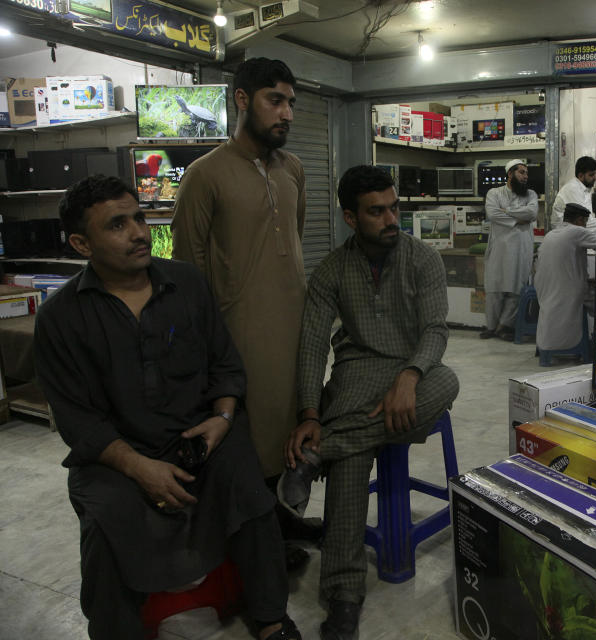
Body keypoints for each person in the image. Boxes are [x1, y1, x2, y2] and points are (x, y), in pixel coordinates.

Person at [34, 175, 302, 640]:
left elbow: (225, 364)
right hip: (119, 454)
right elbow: (78, 421)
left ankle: (271, 619)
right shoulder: (60, 318)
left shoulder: (187, 284)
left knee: (247, 485)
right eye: (117, 225)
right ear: (82, 243)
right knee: (105, 519)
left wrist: (221, 419)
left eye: (138, 217)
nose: (139, 232)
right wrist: (140, 468)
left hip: (201, 436)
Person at [283, 165, 459, 639]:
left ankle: (323, 452)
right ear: (349, 217)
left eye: (394, 207)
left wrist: (409, 373)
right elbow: (314, 345)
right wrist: (309, 412)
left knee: (448, 382)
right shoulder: (331, 271)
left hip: (416, 372)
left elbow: (436, 330)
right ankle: (344, 592)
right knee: (353, 445)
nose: (390, 219)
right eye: (376, 212)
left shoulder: (422, 258)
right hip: (357, 373)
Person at [172, 58, 318, 558]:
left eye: (291, 103)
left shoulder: (293, 170)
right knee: (249, 443)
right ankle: (257, 544)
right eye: (274, 100)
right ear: (241, 100)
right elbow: (186, 272)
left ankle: (284, 522)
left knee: (291, 435)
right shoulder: (204, 175)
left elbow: (292, 241)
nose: (287, 114)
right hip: (238, 337)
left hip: (296, 331)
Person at [482, 158, 538, 341]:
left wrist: (506, 211)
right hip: (499, 247)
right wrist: (516, 217)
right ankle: (491, 327)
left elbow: (531, 214)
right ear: (510, 174)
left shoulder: (531, 195)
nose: (525, 176)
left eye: (526, 173)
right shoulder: (494, 193)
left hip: (521, 248)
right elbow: (492, 214)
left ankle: (504, 327)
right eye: (521, 172)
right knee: (494, 288)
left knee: (515, 289)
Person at [534, 202, 595, 352]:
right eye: (585, 222)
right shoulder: (577, 231)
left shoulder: (551, 234)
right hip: (567, 290)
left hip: (545, 288)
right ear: (580, 220)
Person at [550, 155, 596, 228]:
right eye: (591, 175)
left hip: (576, 230)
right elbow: (583, 222)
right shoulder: (572, 188)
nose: (595, 178)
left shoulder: (584, 188)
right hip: (564, 234)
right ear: (580, 176)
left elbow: (588, 219)